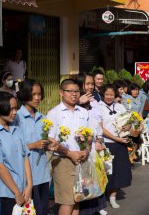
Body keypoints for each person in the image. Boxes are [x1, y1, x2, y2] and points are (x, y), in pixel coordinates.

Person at [0, 91, 33, 214]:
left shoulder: (16, 128)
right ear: (0, 109)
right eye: (10, 109)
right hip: (4, 194)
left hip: (23, 191)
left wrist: (29, 185)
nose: (15, 112)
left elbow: (25, 156)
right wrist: (16, 192)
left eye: (15, 108)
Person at [47, 79, 91, 215]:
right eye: (70, 91)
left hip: (81, 160)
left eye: (76, 91)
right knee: (67, 201)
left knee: (77, 199)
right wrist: (69, 153)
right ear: (61, 93)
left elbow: (90, 135)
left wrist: (86, 149)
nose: (74, 94)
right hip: (63, 161)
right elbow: (50, 139)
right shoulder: (54, 113)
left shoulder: (83, 112)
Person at [16, 80, 52, 215]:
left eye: (39, 94)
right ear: (25, 95)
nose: (37, 98)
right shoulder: (17, 118)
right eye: (33, 94)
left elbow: (44, 142)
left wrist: (49, 145)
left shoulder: (42, 118)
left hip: (42, 172)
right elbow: (14, 147)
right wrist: (33, 145)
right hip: (26, 175)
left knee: (42, 209)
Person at [76, 73, 108, 215]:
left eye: (91, 84)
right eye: (87, 84)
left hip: (94, 144)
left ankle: (96, 207)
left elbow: (97, 123)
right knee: (83, 179)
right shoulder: (75, 101)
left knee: (95, 175)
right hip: (80, 146)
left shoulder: (95, 102)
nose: (90, 87)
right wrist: (78, 102)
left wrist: (100, 140)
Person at [99, 85, 132, 209]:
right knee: (104, 172)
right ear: (103, 95)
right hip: (105, 143)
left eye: (111, 94)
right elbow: (100, 128)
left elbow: (129, 121)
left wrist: (128, 127)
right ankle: (101, 201)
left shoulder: (119, 106)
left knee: (118, 171)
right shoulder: (98, 107)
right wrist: (115, 138)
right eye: (107, 94)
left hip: (120, 143)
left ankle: (113, 197)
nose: (109, 97)